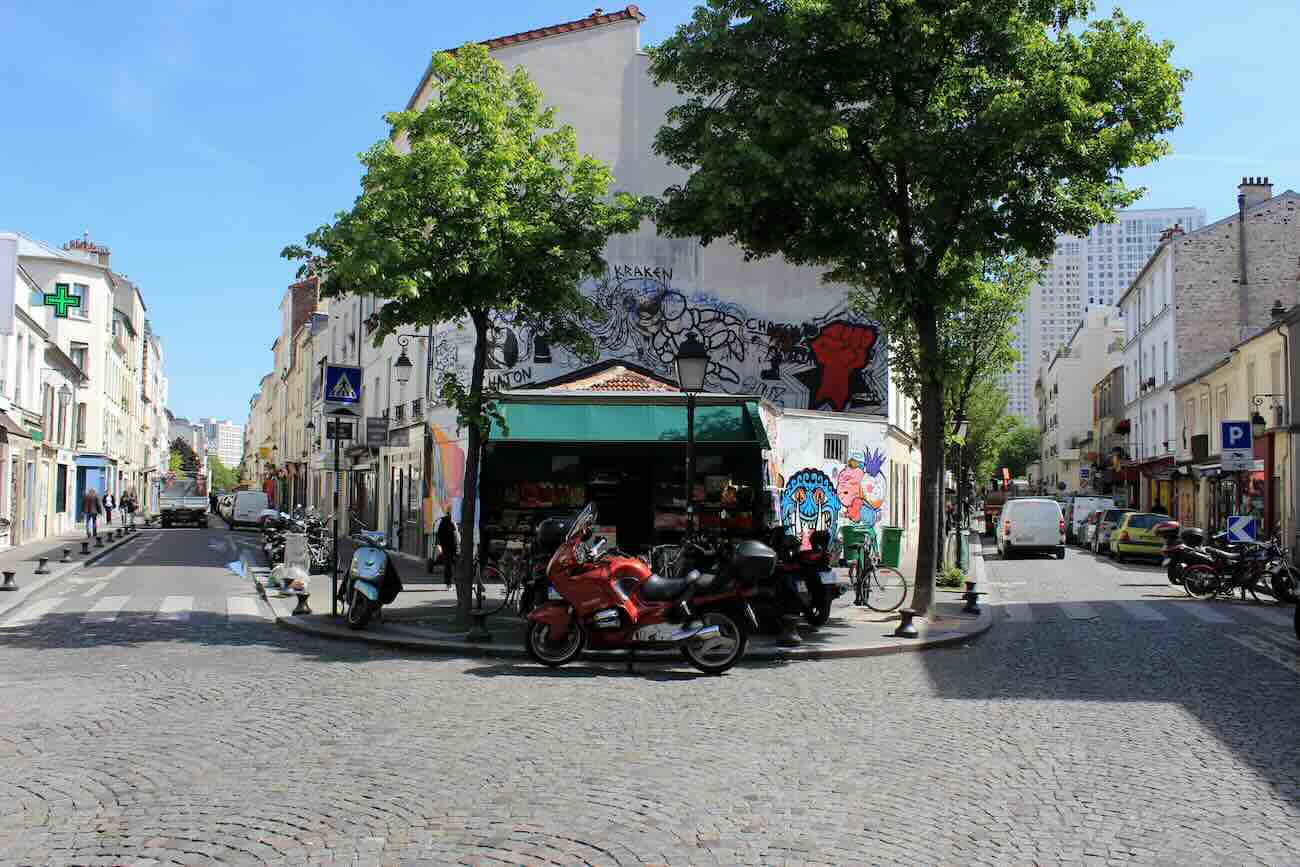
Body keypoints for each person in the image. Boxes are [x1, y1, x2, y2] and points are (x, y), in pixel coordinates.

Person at [436, 514, 459, 590]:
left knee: (459, 566)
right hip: (447, 547)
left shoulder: (459, 520)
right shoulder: (445, 521)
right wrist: (439, 546)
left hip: (457, 546)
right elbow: (439, 535)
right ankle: (448, 584)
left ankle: (460, 583)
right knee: (448, 565)